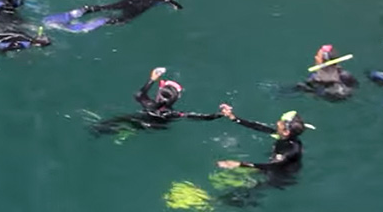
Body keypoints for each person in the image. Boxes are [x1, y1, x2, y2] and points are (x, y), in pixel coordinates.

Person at [92, 67, 222, 133]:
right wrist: (220, 115)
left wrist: (151, 79)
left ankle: (99, 129)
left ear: (159, 94)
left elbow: (139, 94)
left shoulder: (147, 103)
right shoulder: (173, 114)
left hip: (139, 118)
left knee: (123, 120)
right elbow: (199, 117)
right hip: (156, 127)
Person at [215, 105, 309, 181]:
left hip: (281, 176)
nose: (277, 122)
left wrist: (239, 164)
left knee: (249, 190)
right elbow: (257, 127)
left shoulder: (291, 149)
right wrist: (234, 118)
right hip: (272, 166)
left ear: (286, 132)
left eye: (281, 122)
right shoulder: (283, 135)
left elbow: (274, 166)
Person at [51, 0, 183, 32]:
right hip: (138, 6)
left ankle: (86, 9)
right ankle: (102, 21)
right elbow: (177, 5)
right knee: (123, 20)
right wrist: (176, 6)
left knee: (107, 7)